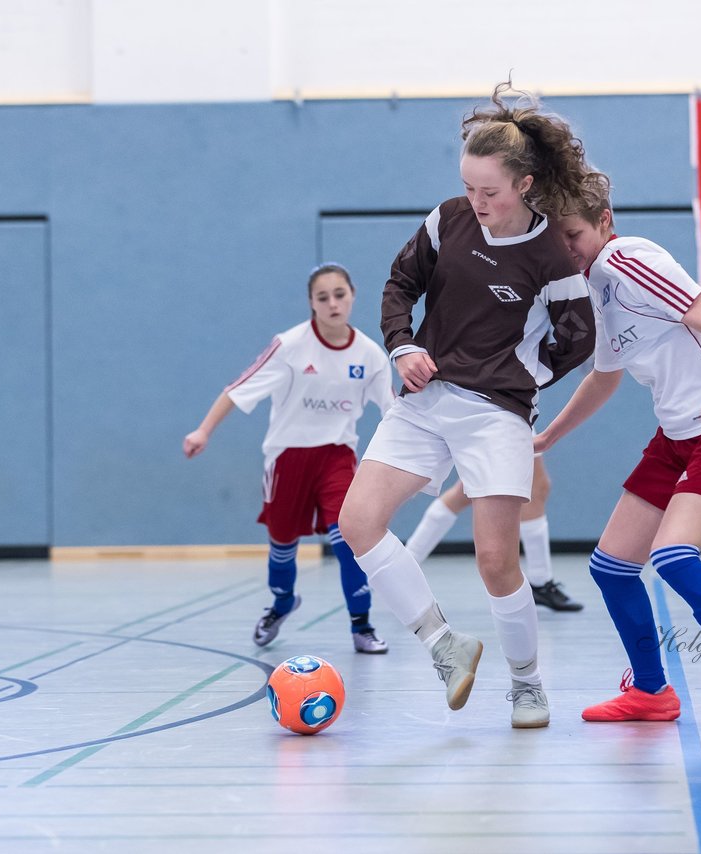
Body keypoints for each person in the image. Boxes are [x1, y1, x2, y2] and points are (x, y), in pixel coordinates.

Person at [337, 82, 597, 728]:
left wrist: (522, 375)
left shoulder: (548, 257)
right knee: (358, 523)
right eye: (470, 187)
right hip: (425, 400)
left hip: (497, 414)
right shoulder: (447, 219)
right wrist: (401, 347)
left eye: (491, 192)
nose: (477, 203)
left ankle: (529, 685)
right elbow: (401, 284)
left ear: (526, 184)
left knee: (494, 559)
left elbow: (579, 336)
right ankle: (442, 643)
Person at [534, 170, 701, 725]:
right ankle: (651, 691)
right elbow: (605, 377)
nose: (567, 250)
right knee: (611, 566)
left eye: (574, 235)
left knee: (673, 556)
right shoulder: (593, 287)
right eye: (557, 241)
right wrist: (550, 435)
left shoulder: (630, 260)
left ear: (604, 222)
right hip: (675, 437)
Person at [183, 263, 394, 655]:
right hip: (287, 459)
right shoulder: (290, 345)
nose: (333, 303)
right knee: (282, 543)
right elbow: (238, 389)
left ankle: (361, 624)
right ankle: (281, 602)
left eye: (339, 294)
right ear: (311, 303)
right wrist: (203, 430)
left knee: (349, 537)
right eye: (323, 297)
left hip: (337, 457)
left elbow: (392, 412)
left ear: (353, 296)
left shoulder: (370, 355)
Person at [404, 457, 585, 612]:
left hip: (500, 417)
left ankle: (405, 569)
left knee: (470, 488)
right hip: (504, 417)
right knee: (532, 485)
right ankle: (541, 581)